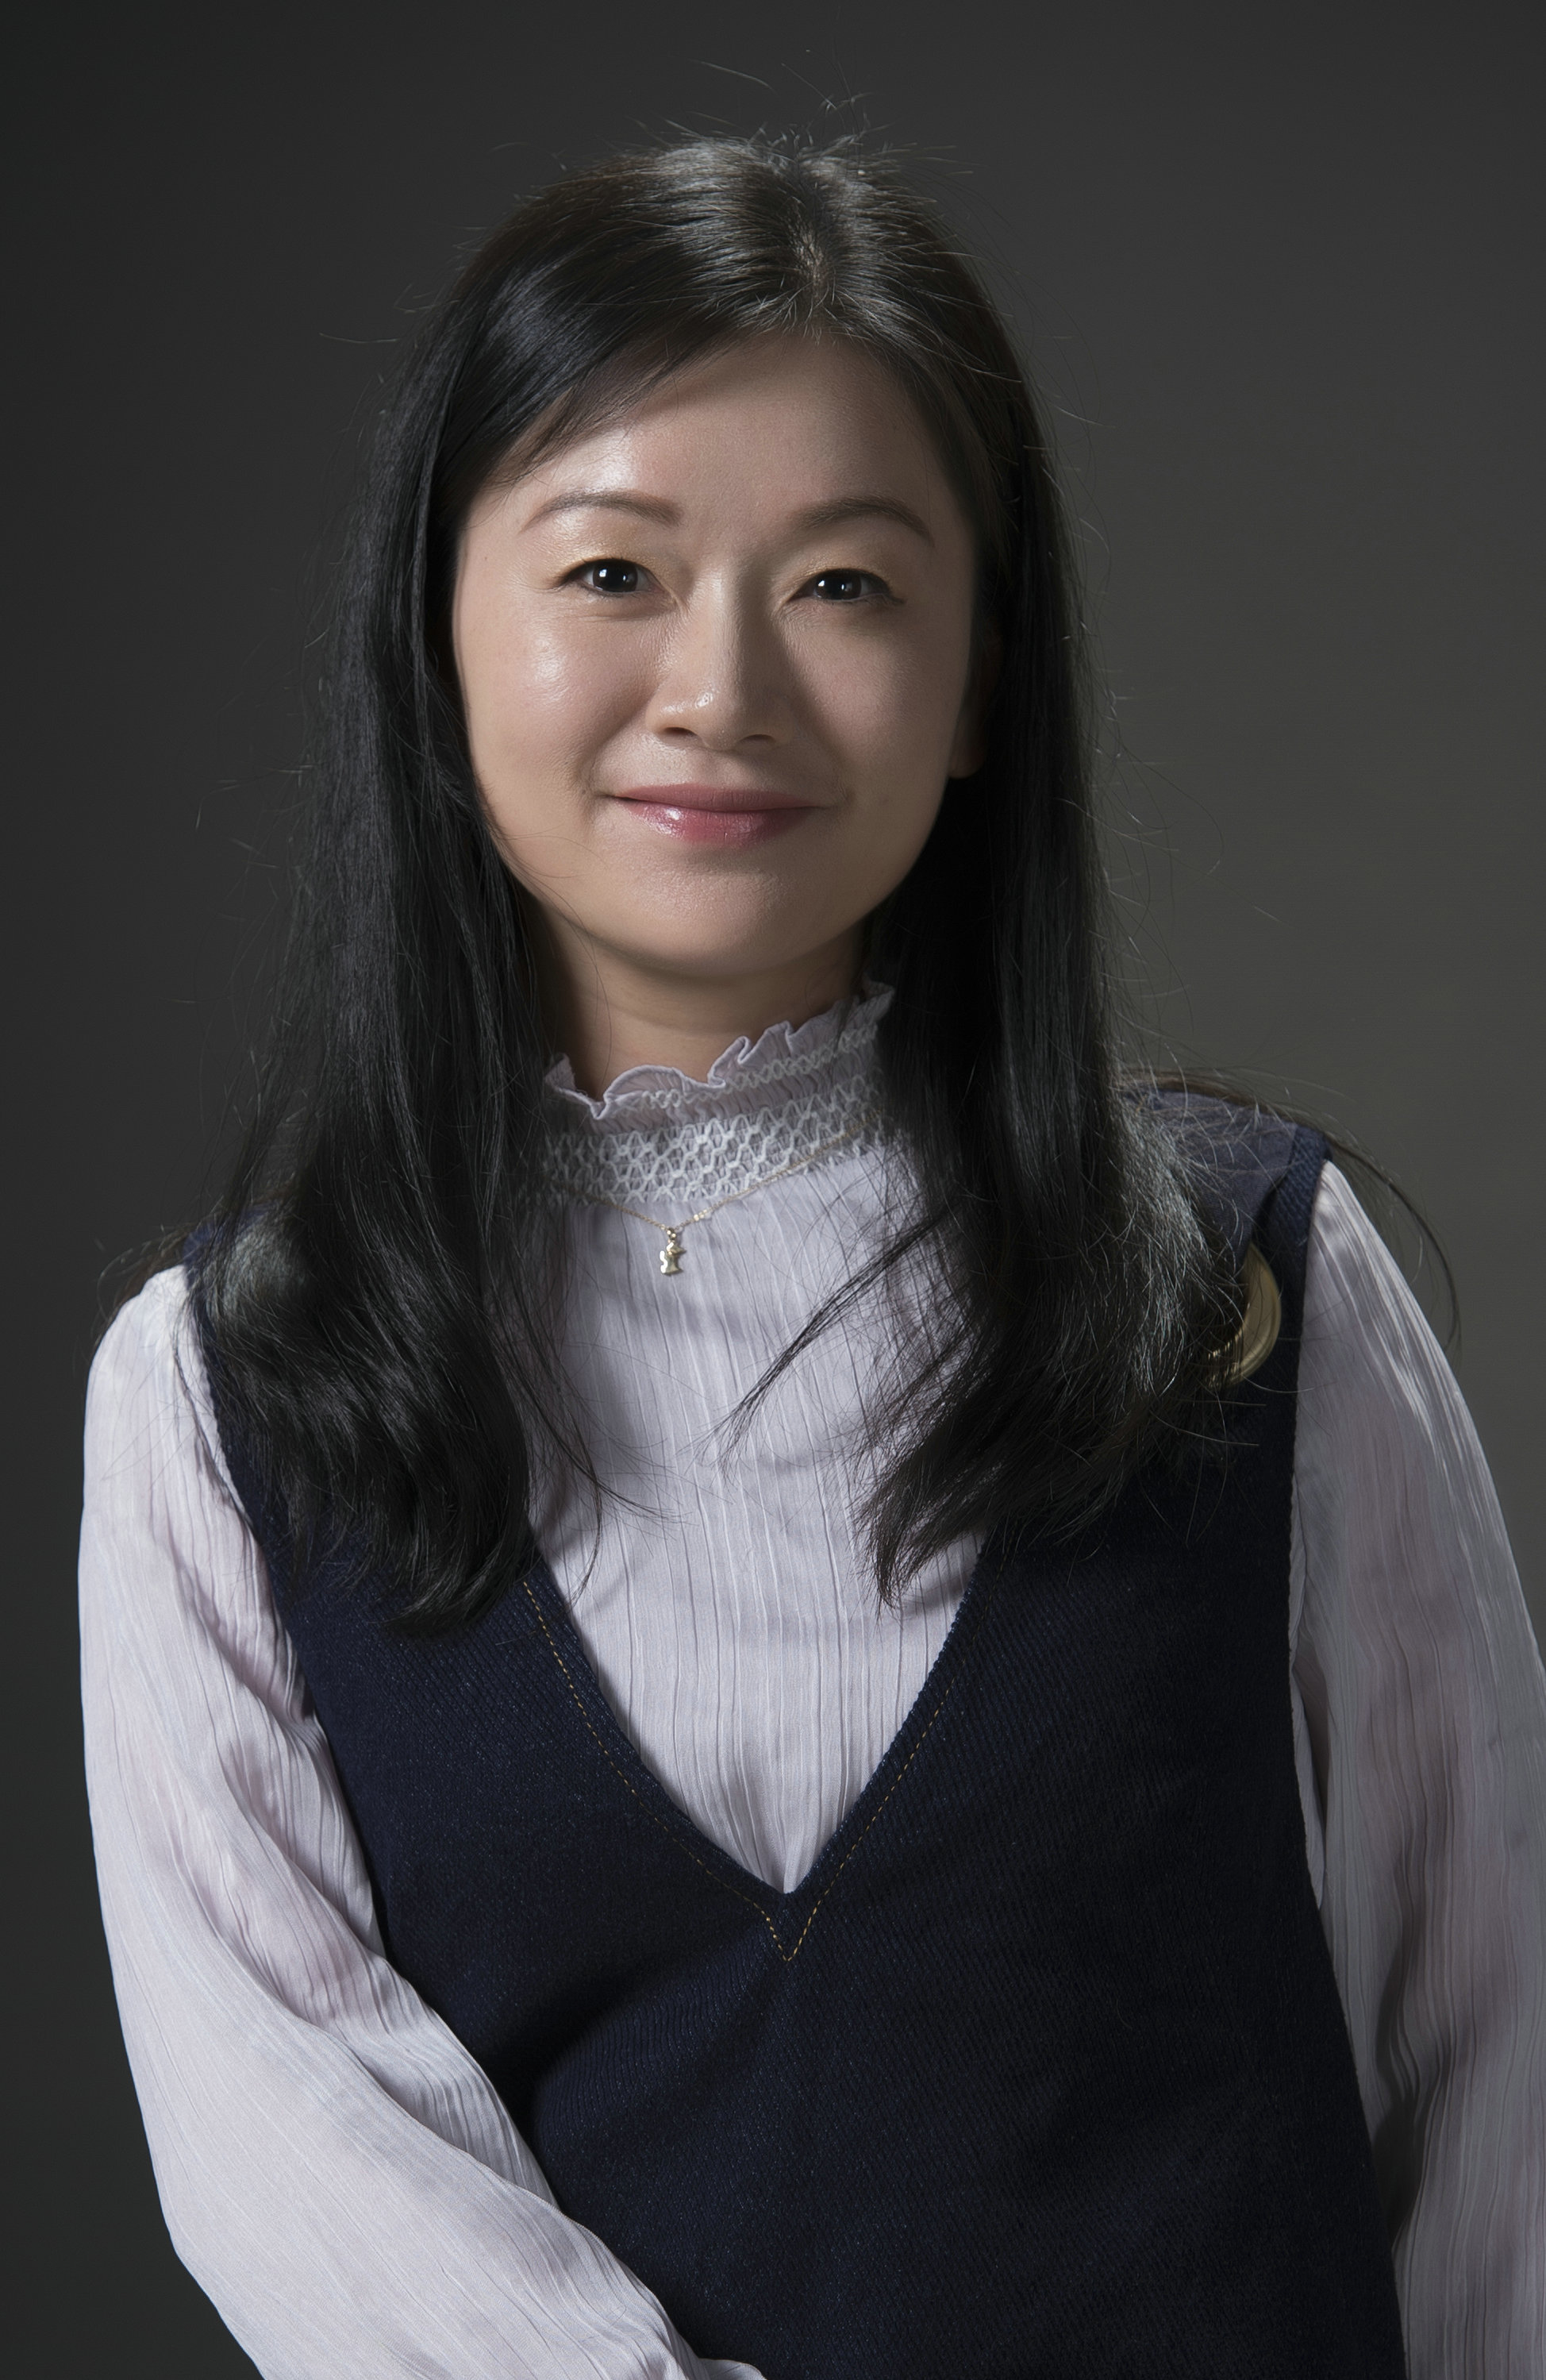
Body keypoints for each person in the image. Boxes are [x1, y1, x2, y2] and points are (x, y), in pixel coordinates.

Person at [80, 135, 1544, 2380]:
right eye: (612, 572)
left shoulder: (1239, 1282)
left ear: (978, 689)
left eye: (846, 585)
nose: (723, 687)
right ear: (436, 644)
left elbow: (1497, 2066)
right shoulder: (224, 1391)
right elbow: (287, 2148)